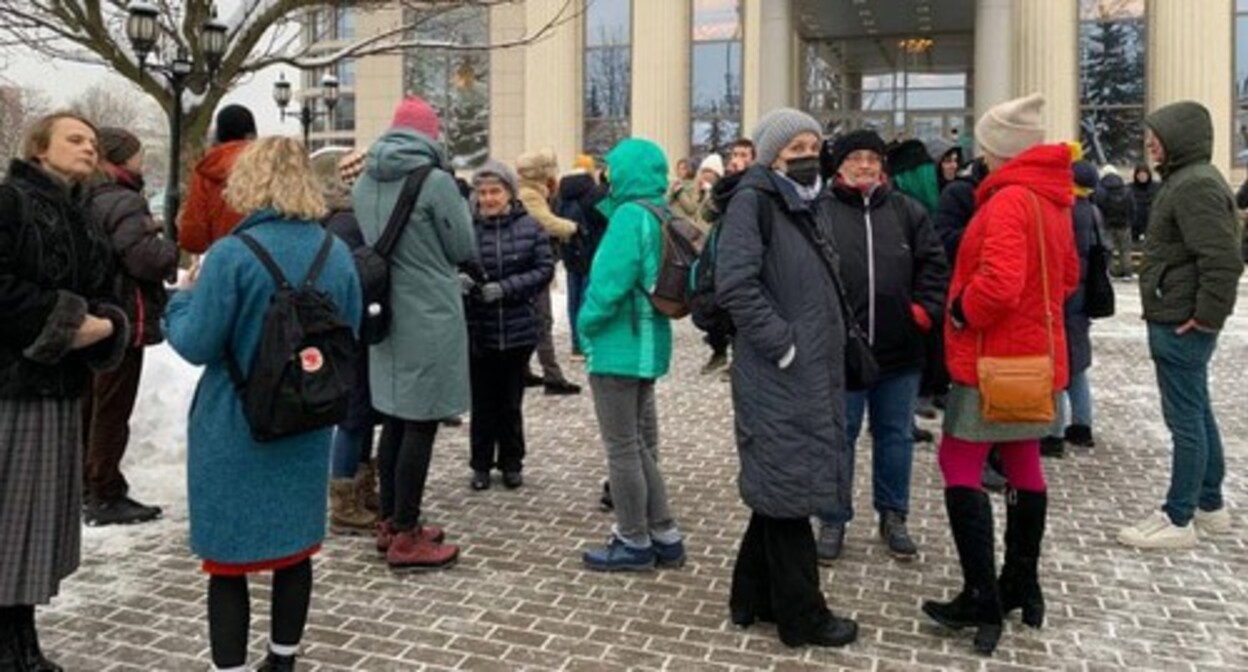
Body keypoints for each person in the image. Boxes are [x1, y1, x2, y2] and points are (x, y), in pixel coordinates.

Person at [163, 135, 361, 672]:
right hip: (305, 419)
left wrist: (177, 304)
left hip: (235, 422)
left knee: (227, 562)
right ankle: (283, 659)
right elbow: (351, 333)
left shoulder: (230, 255)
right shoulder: (334, 252)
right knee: (294, 548)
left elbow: (197, 342)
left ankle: (229, 667)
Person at [920, 93, 1080, 656]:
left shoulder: (1009, 200)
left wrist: (962, 308)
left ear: (1000, 151)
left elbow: (999, 284)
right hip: (1034, 362)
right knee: (1023, 461)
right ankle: (1021, 584)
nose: (979, 157)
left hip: (990, 361)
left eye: (985, 147)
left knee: (957, 461)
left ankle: (981, 595)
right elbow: (1066, 277)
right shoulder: (1052, 200)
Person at [715, 107, 858, 648]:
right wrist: (783, 344)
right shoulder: (756, 203)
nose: (807, 155)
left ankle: (750, 599)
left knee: (779, 489)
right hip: (779, 373)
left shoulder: (808, 202)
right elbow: (736, 284)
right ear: (773, 154)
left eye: (813, 144)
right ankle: (804, 618)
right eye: (795, 147)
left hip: (809, 371)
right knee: (790, 494)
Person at [0, 111, 129, 672]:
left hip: (59, 387)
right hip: (13, 386)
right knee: (9, 520)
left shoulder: (81, 214)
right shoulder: (9, 201)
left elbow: (105, 289)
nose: (87, 148)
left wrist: (106, 324)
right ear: (39, 147)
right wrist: (70, 322)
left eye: (93, 143)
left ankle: (22, 639)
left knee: (36, 526)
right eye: (74, 139)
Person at [815, 130, 949, 564]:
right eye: (856, 158)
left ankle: (893, 515)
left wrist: (923, 313)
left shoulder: (907, 211)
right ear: (838, 165)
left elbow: (934, 267)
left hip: (900, 351)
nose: (866, 166)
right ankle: (833, 517)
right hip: (844, 352)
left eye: (873, 158)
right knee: (840, 437)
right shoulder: (820, 213)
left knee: (895, 437)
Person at [353, 96, 475, 570]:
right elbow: (461, 245)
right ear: (430, 135)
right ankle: (407, 533)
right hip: (428, 311)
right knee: (420, 421)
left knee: (396, 418)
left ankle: (389, 519)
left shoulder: (365, 177)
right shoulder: (435, 181)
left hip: (384, 310)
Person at [1117, 101, 1245, 549]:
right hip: (1177, 316)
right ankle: (1209, 504)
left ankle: (1179, 516)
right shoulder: (1187, 180)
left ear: (1179, 139)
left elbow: (1223, 259)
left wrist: (1207, 316)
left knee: (1185, 419)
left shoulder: (1193, 186)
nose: (1150, 144)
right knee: (1198, 410)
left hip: (1182, 323)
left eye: (1157, 136)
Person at [577, 138, 685, 572]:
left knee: (622, 448)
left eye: (612, 169)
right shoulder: (663, 211)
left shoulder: (628, 216)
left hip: (619, 345)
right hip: (649, 343)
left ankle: (634, 539)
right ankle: (664, 535)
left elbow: (607, 286)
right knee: (637, 444)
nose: (607, 176)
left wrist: (585, 325)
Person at [82, 127, 178, 527]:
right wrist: (167, 245)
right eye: (138, 155)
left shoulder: (86, 196)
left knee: (91, 404)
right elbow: (146, 260)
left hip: (92, 313)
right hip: (124, 316)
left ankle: (89, 484)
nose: (143, 161)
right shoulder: (123, 201)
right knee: (112, 408)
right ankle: (104, 491)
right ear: (122, 159)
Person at [463, 160, 554, 491]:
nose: (488, 198)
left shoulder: (529, 227)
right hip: (480, 329)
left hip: (517, 328)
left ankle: (512, 461)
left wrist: (508, 287)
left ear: (509, 193)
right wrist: (463, 282)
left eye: (495, 191)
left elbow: (544, 268)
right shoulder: (467, 228)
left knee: (510, 402)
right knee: (482, 403)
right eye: (483, 192)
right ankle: (481, 464)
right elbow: (452, 263)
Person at [310, 147, 379, 536]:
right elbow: (354, 277)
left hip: (355, 331)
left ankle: (361, 486)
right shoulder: (348, 223)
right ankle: (345, 497)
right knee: (354, 416)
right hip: (352, 333)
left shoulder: (343, 219)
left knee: (363, 413)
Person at [1040, 161, 1101, 459]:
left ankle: (1052, 432)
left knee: (1055, 360)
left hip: (1064, 289)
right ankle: (1082, 426)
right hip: (1085, 292)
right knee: (1077, 362)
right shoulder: (1092, 210)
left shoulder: (1064, 208)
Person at [516, 148, 581, 395]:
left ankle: (525, 370)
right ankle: (552, 376)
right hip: (533, 266)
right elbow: (546, 222)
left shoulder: (530, 192)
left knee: (535, 319)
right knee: (542, 320)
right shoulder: (530, 195)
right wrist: (573, 228)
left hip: (527, 265)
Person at [179, 104, 257, 253]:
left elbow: (193, 238)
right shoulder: (271, 168)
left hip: (225, 258)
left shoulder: (207, 170)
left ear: (219, 134)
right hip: (270, 263)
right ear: (252, 134)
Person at [556, 154, 608, 362]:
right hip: (592, 251)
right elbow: (604, 221)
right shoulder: (595, 194)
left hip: (570, 252)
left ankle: (576, 344)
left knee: (573, 299)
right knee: (589, 299)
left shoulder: (562, 194)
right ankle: (587, 342)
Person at [1096, 166, 1135, 278]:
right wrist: (1130, 220)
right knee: (1125, 250)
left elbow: (1099, 206)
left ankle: (1110, 272)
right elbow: (1132, 207)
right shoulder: (1126, 189)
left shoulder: (1100, 189)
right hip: (1124, 224)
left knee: (1108, 250)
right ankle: (1127, 273)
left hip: (1107, 224)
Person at [1130, 163, 1158, 243]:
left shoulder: (1157, 187)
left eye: (1144, 174)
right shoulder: (1129, 189)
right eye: (1140, 174)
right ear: (1136, 175)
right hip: (1135, 226)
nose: (1142, 176)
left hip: (1153, 225)